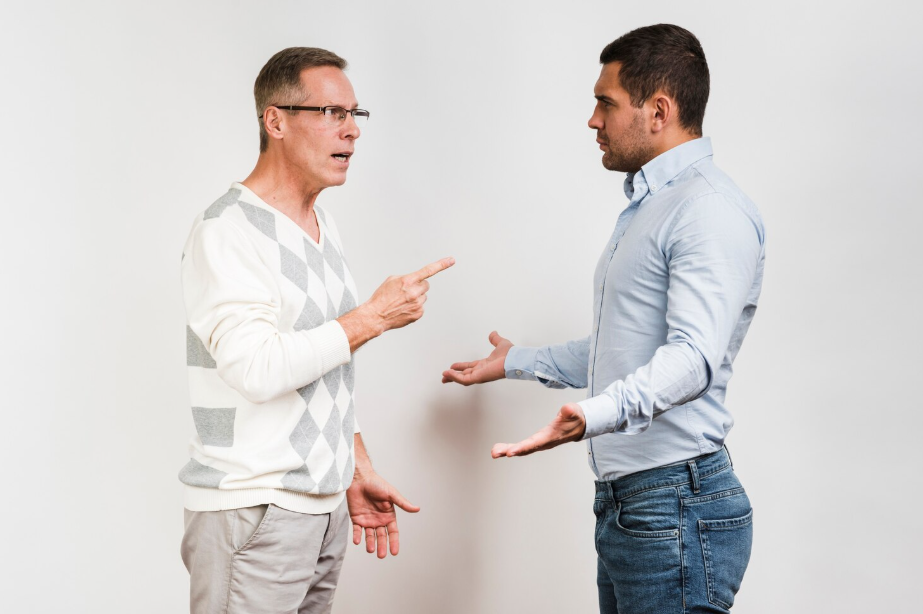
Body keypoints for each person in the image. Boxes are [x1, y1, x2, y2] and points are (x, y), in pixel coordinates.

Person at [443, 24, 765, 613]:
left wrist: (591, 416)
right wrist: (515, 362)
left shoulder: (707, 210)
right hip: (637, 506)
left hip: (675, 507)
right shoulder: (654, 206)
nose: (593, 120)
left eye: (605, 103)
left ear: (659, 110)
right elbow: (626, 345)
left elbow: (693, 360)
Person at [179, 47, 453, 613]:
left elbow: (321, 363)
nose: (351, 131)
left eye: (356, 115)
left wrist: (355, 467)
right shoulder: (226, 230)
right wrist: (373, 316)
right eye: (332, 113)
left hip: (319, 509)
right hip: (254, 509)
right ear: (274, 120)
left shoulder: (320, 222)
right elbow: (256, 369)